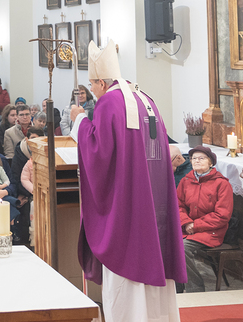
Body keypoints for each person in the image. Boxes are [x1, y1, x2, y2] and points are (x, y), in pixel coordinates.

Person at [69, 40, 185, 321]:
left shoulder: (109, 102)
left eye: (92, 85)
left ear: (100, 82)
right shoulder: (144, 97)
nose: (92, 91)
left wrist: (80, 121)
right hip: (153, 199)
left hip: (129, 208)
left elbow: (99, 153)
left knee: (128, 266)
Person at [177, 146, 234, 293]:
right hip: (187, 228)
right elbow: (178, 206)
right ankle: (176, 288)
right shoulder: (186, 181)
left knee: (182, 248)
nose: (197, 161)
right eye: (194, 158)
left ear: (211, 162)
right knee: (166, 243)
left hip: (210, 231)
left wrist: (195, 225)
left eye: (201, 158)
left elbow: (222, 215)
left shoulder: (221, 184)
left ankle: (195, 289)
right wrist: (187, 222)